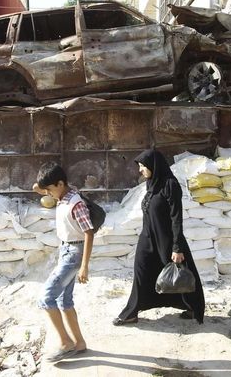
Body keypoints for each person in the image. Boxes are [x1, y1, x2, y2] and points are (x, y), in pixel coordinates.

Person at [113, 149, 205, 325]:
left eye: (143, 166)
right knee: (141, 274)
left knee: (181, 274)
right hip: (147, 239)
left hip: (167, 240)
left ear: (154, 166)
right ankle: (131, 313)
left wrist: (177, 247)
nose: (140, 170)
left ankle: (194, 307)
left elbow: (176, 218)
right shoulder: (151, 184)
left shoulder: (170, 185)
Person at [32, 162, 94, 362]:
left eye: (50, 190)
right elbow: (37, 187)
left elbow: (89, 233)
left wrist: (84, 265)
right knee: (64, 301)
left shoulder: (76, 203)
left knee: (45, 297)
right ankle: (79, 343)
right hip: (65, 249)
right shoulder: (63, 194)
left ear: (60, 184)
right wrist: (43, 186)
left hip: (74, 253)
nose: (47, 194)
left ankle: (66, 342)